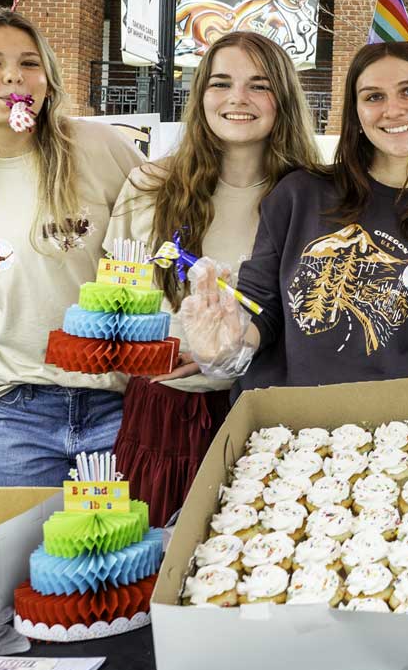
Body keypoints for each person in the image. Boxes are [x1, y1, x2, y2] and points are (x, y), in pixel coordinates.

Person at [175, 39, 408, 387]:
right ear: (356, 112)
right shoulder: (299, 194)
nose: (392, 109)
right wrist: (228, 342)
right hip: (276, 424)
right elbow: (261, 311)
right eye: (373, 96)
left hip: (394, 430)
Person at [108, 30, 320, 521]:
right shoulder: (150, 185)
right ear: (200, 94)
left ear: (283, 98)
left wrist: (227, 355)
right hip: (163, 412)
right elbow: (114, 296)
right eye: (221, 83)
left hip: (267, 413)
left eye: (259, 85)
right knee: (154, 572)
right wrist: (141, 354)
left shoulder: (314, 198)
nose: (237, 99)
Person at [0, 7, 140, 486]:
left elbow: (165, 231)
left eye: (29, 62)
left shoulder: (96, 145)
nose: (13, 76)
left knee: (126, 555)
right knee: (17, 560)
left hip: (117, 399)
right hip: (11, 408)